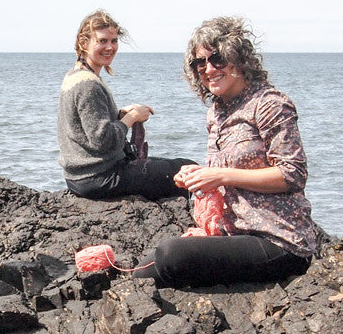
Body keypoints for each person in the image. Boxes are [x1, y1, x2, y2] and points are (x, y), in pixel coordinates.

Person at [135, 16, 319, 287]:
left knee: (170, 256)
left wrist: (221, 175)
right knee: (147, 264)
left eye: (217, 58)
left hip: (279, 240)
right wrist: (197, 175)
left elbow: (292, 175)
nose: (209, 69)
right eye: (200, 62)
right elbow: (223, 177)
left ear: (239, 58)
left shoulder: (269, 104)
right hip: (232, 232)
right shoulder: (217, 112)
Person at [57, 9, 194, 200]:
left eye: (113, 41)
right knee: (186, 170)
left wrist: (120, 114)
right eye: (102, 41)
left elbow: (88, 126)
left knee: (177, 167)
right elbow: (103, 140)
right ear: (83, 42)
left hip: (81, 177)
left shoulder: (75, 75)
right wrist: (132, 117)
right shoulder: (88, 84)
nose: (110, 47)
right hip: (98, 177)